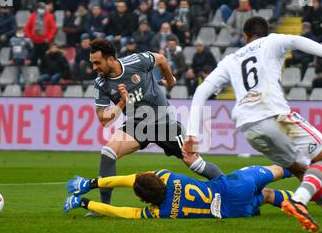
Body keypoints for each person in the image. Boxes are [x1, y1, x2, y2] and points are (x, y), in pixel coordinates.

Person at [184, 17, 322, 233]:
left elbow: (201, 91)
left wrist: (192, 134)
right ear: (265, 32)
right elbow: (298, 40)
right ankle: (298, 200)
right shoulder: (272, 41)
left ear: (245, 37)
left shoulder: (230, 60)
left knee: (303, 171)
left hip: (249, 129)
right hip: (276, 117)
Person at [87, 38, 223, 211]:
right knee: (108, 153)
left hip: (164, 121)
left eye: (97, 63)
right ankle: (104, 208)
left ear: (111, 59)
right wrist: (122, 103)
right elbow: (104, 120)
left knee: (196, 164)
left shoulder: (136, 61)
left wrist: (170, 80)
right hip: (137, 125)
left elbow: (160, 59)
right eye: (92, 63)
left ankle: (231, 189)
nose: (94, 68)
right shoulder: (101, 84)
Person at [63, 165, 295, 219]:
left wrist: (84, 202)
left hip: (234, 211)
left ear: (145, 200)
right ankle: (311, 177)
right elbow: (128, 179)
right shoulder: (166, 176)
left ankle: (300, 199)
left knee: (266, 196)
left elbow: (122, 212)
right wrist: (91, 183)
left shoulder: (159, 212)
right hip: (233, 186)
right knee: (277, 170)